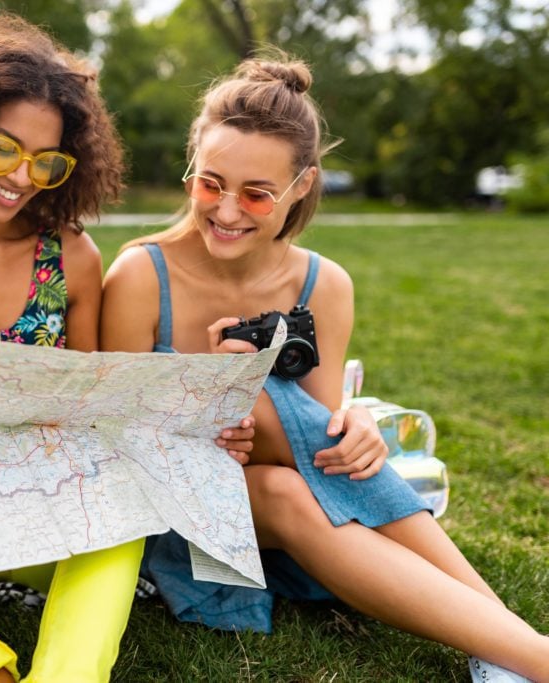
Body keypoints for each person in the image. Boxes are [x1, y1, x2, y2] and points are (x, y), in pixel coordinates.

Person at [100, 51, 549, 682]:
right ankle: (526, 648)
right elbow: (116, 442)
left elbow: (314, 440)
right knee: (257, 398)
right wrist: (207, 410)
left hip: (286, 508)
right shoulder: (141, 277)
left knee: (294, 470)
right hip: (174, 514)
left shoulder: (324, 284)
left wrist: (353, 422)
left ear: (301, 186)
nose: (227, 212)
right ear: (189, 173)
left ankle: (508, 651)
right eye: (211, 184)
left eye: (257, 194)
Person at [0, 12, 252, 682]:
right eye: (1, 148)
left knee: (126, 506)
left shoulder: (72, 257)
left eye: (46, 160)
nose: (22, 177)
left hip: (48, 510)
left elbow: (97, 409)